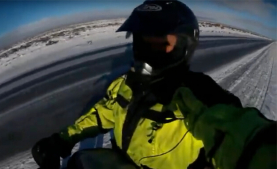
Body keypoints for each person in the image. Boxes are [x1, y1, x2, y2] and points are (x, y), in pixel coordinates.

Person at [31, 1, 276, 169]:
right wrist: (62, 139)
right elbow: (102, 113)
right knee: (80, 162)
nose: (150, 54)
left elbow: (238, 131)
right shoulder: (126, 85)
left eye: (162, 45)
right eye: (145, 43)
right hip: (127, 160)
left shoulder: (194, 93)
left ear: (184, 46)